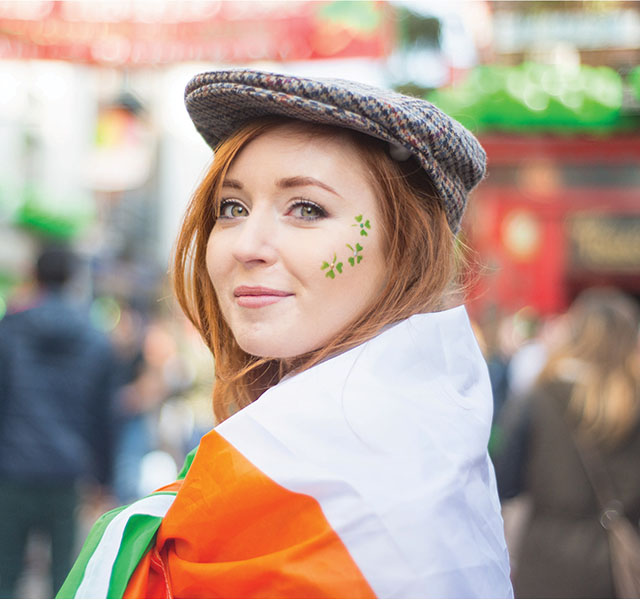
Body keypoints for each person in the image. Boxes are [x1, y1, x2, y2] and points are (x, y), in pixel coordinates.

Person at [58, 70, 512, 599]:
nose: (246, 244)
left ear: (404, 248)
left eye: (307, 209)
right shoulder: (400, 440)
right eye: (232, 208)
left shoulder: (368, 499)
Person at [494, 288, 640, 598]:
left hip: (549, 565)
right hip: (622, 566)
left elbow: (504, 481)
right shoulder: (634, 402)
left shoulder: (540, 398)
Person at [0, 245, 116, 598]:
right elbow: (104, 417)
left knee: (5, 574)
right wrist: (104, 478)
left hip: (12, 471)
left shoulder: (9, 330)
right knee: (65, 579)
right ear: (72, 280)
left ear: (34, 276)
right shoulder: (96, 339)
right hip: (68, 473)